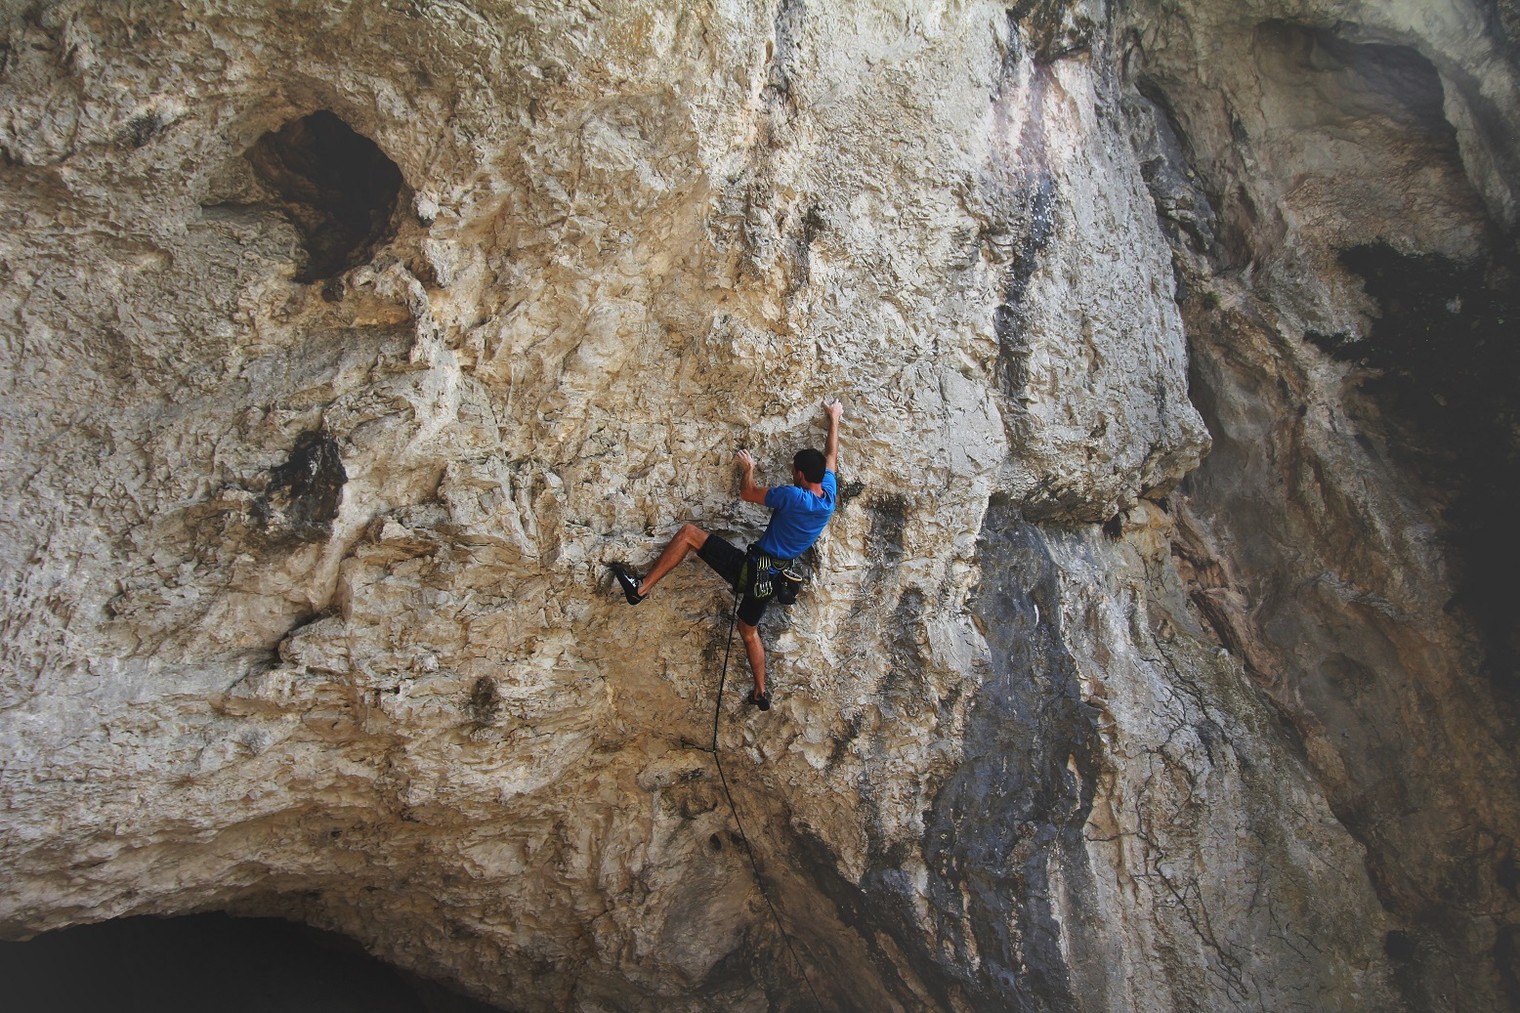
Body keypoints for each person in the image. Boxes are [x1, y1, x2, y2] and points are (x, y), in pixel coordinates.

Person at [609, 399, 844, 710]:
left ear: (799, 475)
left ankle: (640, 589)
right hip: (771, 580)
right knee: (748, 630)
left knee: (688, 534)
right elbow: (831, 456)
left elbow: (748, 493)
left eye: (793, 471)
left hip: (750, 569)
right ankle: (760, 691)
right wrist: (834, 418)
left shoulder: (793, 496)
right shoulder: (828, 496)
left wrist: (749, 469)